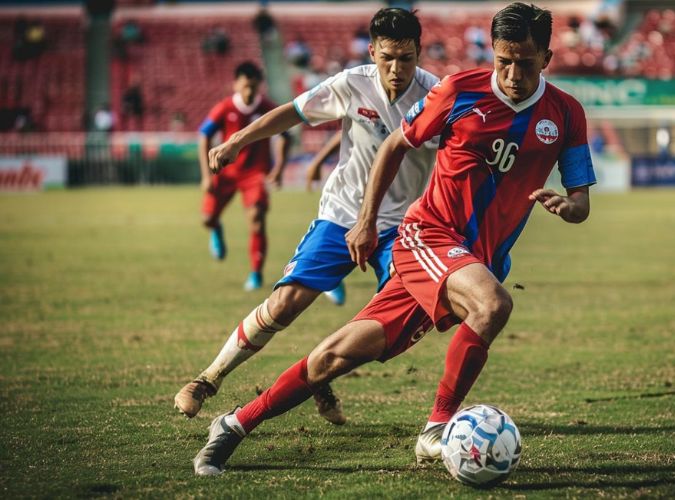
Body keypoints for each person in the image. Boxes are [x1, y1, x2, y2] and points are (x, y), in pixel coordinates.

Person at [191, 2, 596, 476]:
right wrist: (366, 220)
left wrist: (570, 208)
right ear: (492, 51)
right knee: (492, 305)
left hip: (471, 262)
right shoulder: (459, 91)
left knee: (333, 358)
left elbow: (581, 200)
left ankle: (233, 424)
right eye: (503, 61)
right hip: (428, 236)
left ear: (547, 57)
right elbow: (394, 144)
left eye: (525, 63)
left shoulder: (566, 114)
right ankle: (436, 430)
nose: (512, 74)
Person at [174, 8, 439, 429]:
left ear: (419, 54)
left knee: (391, 317)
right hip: (341, 214)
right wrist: (238, 140)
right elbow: (293, 112)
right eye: (387, 57)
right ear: (372, 52)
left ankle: (320, 369)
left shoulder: (438, 97)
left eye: (406, 58)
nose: (396, 69)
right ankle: (208, 379)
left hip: (401, 227)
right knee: (285, 303)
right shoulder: (352, 83)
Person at [196, 61, 290, 292]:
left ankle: (256, 273)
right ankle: (216, 227)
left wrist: (279, 168)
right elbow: (203, 135)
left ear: (259, 86)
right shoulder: (224, 108)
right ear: (236, 84)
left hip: (255, 174)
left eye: (253, 87)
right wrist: (206, 175)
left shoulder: (267, 108)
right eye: (245, 86)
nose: (249, 91)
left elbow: (286, 136)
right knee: (206, 219)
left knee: (257, 220)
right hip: (225, 172)